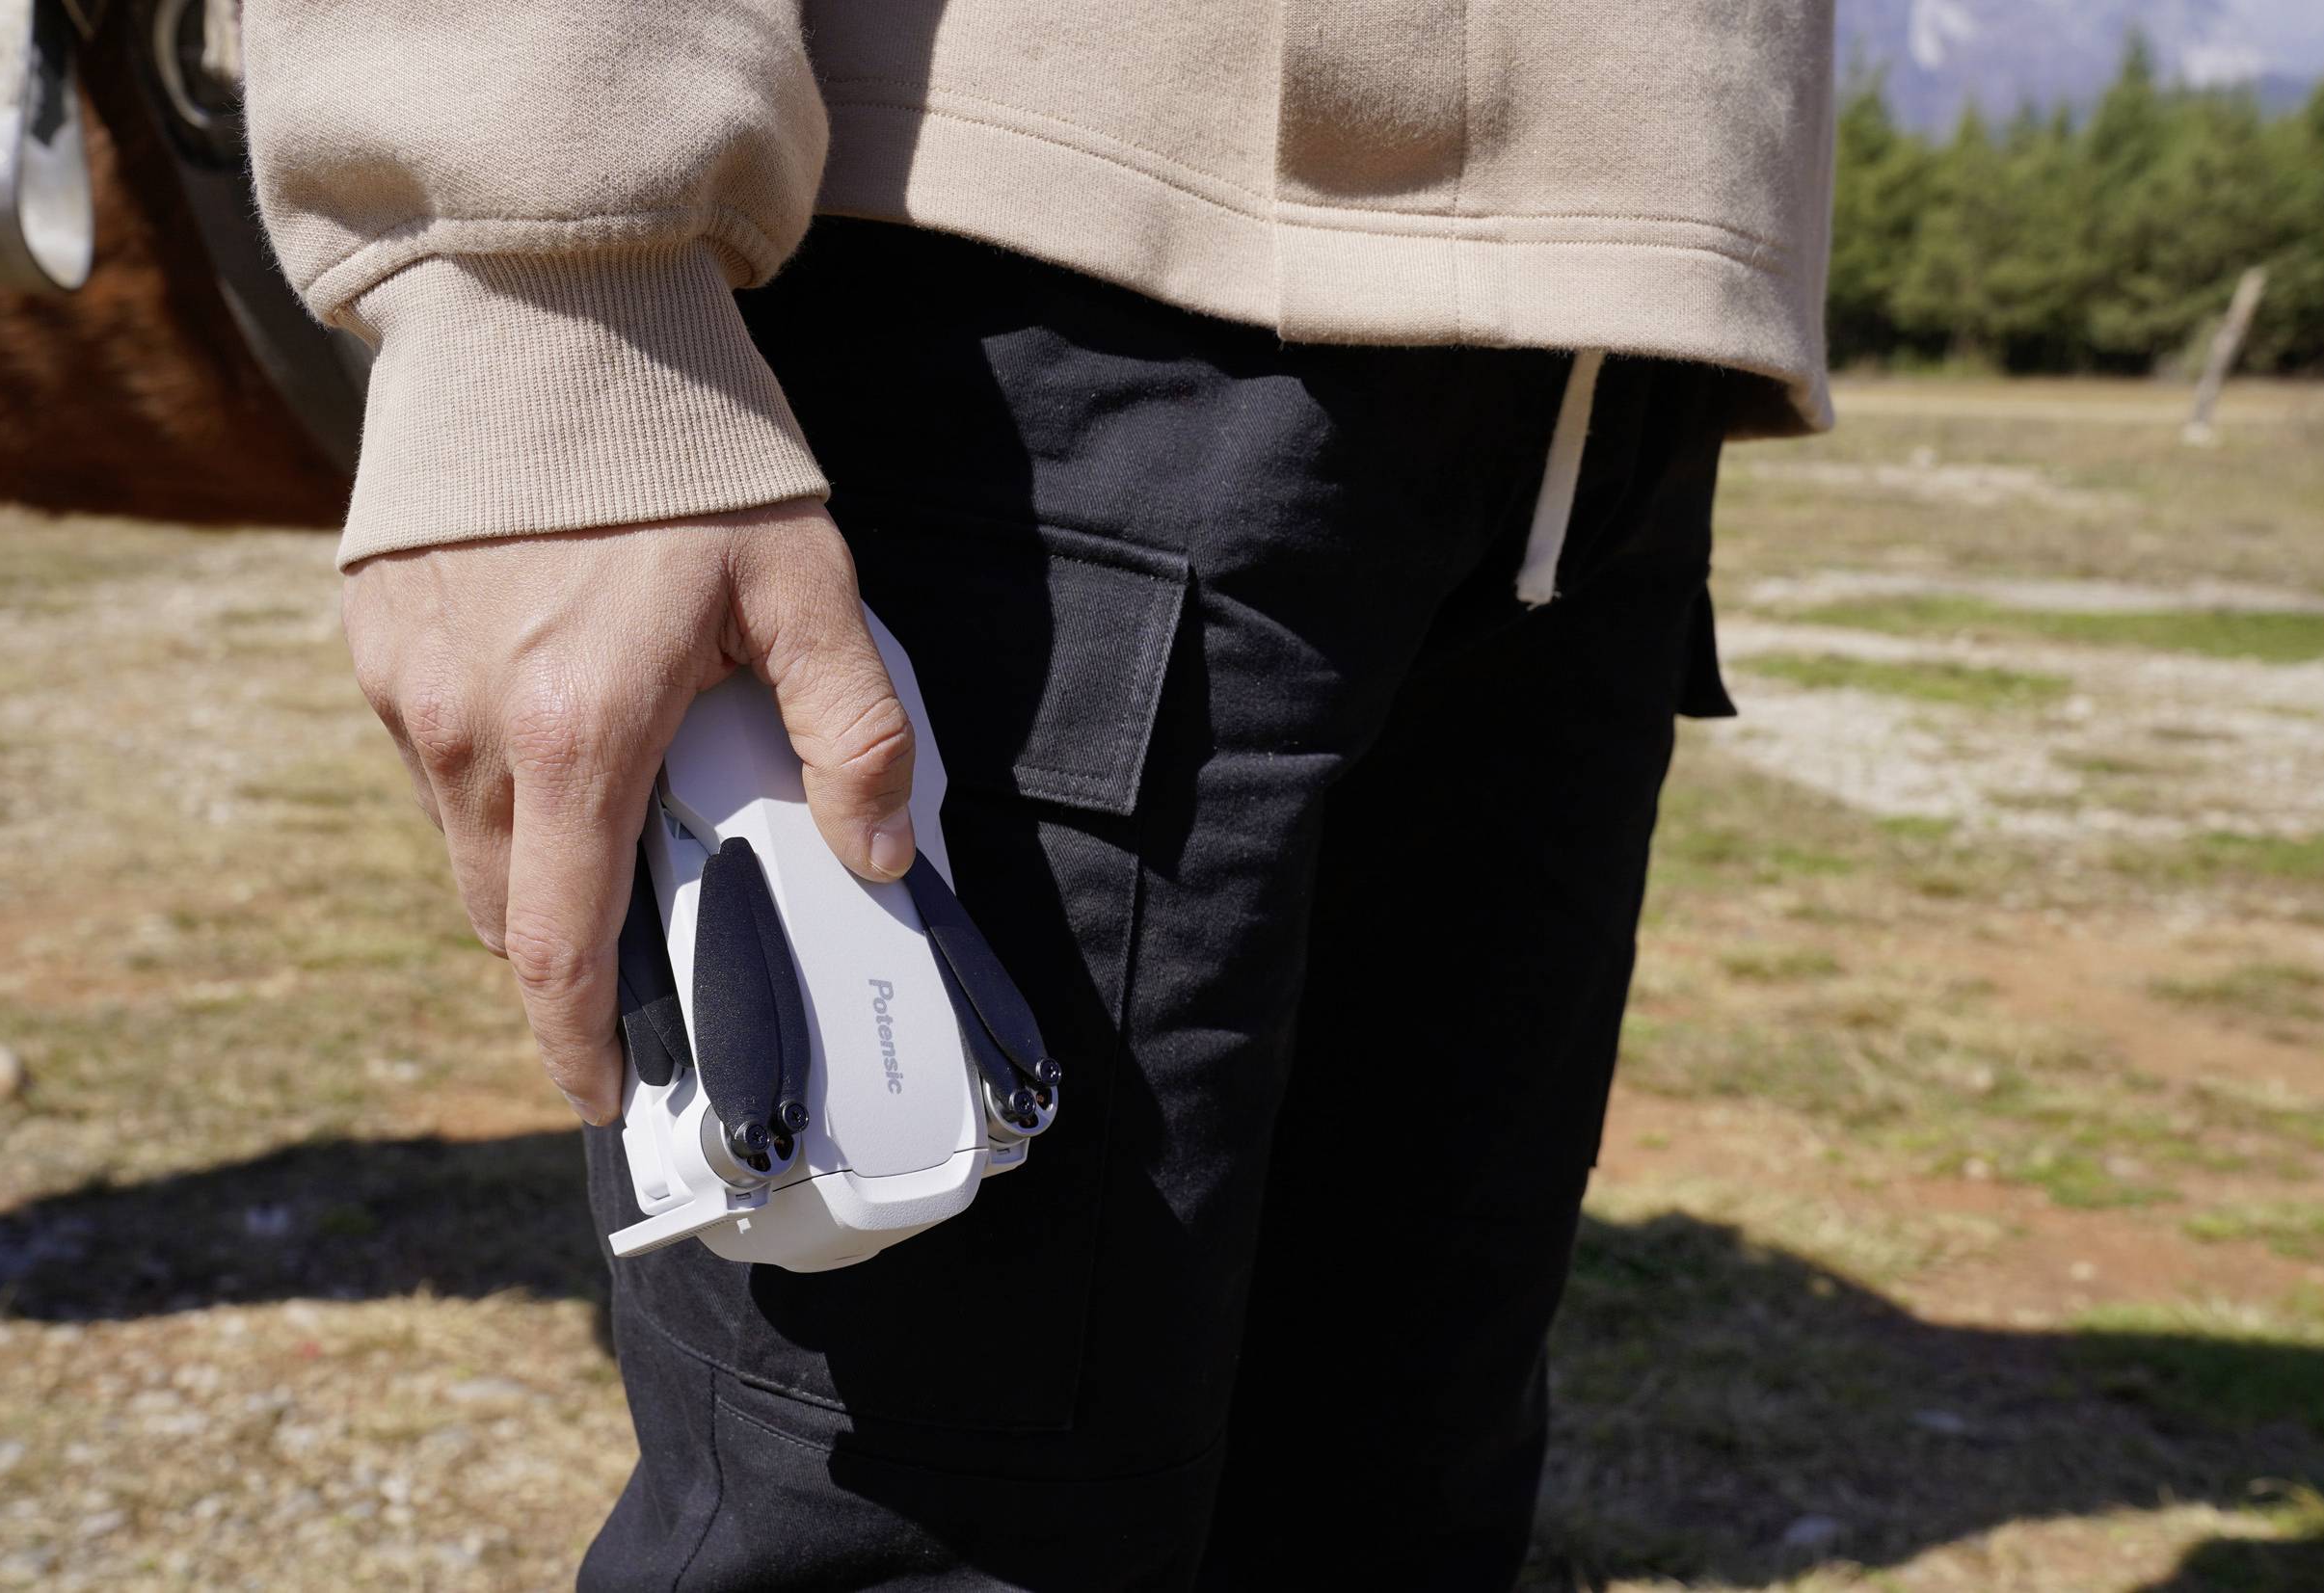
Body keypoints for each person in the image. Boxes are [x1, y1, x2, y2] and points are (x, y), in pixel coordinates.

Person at [243, 4, 1836, 1586]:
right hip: (1027, 287)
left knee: (1397, 1493)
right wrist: (536, 267)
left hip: (1622, 364)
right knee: (926, 1540)